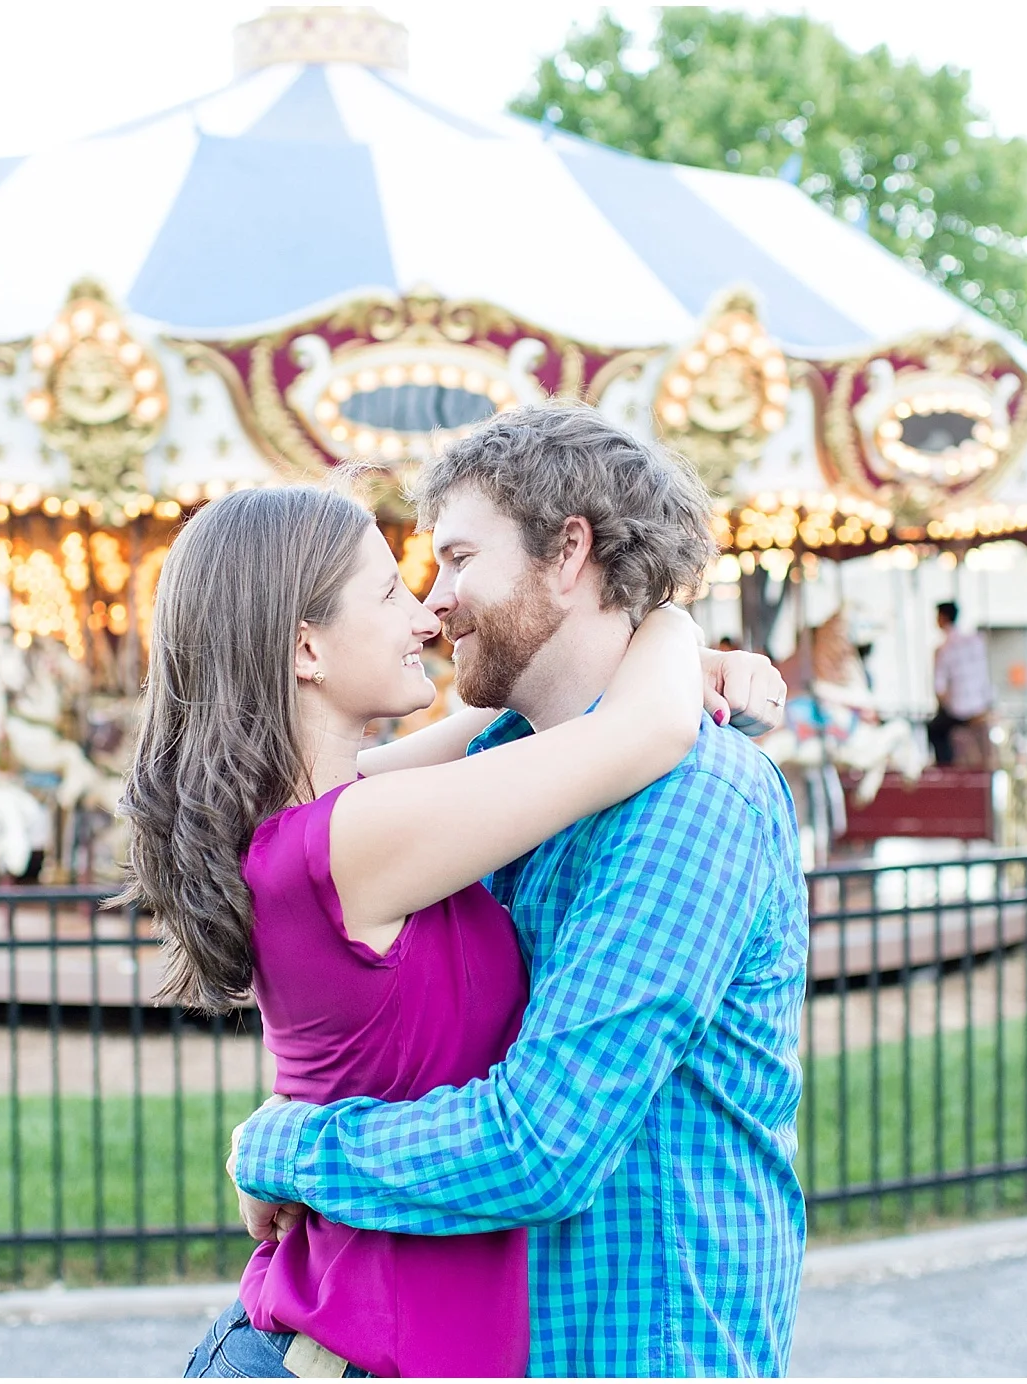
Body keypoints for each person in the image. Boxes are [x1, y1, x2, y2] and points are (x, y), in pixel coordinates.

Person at [121, 475, 784, 1379]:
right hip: (344, 1353)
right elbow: (641, 731)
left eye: (448, 565)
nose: (425, 615)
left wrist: (642, 646)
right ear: (307, 647)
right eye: (391, 588)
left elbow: (513, 717)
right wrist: (667, 624)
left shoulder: (342, 814)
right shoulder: (353, 839)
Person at [928, 600, 993, 767]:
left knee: (934, 729)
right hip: (980, 706)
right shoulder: (975, 641)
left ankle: (946, 769)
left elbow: (939, 687)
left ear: (942, 618)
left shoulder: (943, 648)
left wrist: (945, 705)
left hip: (960, 710)